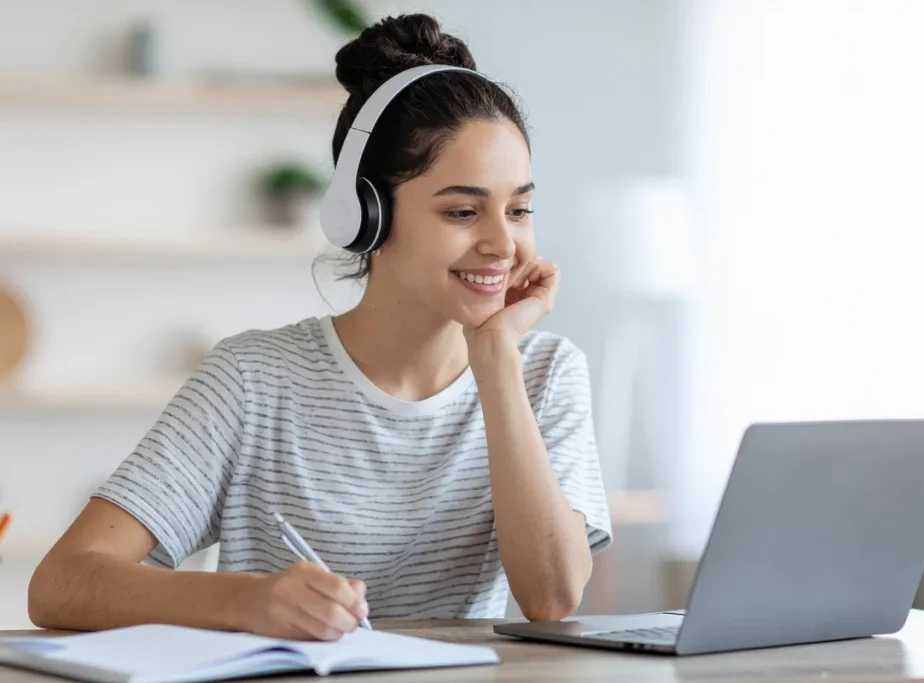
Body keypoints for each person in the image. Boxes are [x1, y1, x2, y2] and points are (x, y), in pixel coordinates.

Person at [27, 13, 611, 641]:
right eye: (464, 211)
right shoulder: (253, 380)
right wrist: (246, 603)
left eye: (519, 210)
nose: (502, 244)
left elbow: (551, 597)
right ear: (365, 216)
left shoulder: (546, 371)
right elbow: (61, 583)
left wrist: (496, 357)